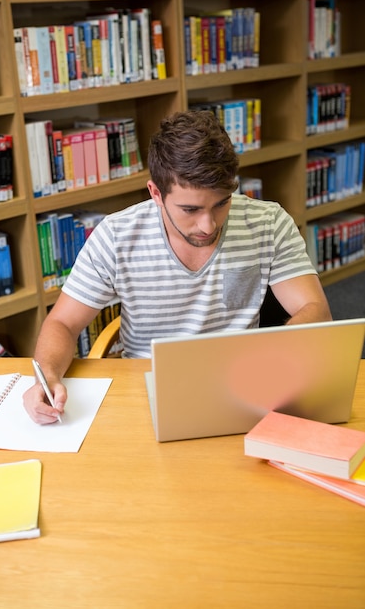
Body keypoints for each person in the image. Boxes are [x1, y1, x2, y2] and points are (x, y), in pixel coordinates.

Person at [23, 109, 332, 423]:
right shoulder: (116, 236)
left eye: (222, 202)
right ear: (156, 193)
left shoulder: (268, 223)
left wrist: (273, 359)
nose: (208, 225)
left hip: (243, 393)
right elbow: (62, 323)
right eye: (190, 209)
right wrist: (46, 377)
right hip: (148, 392)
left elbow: (315, 308)